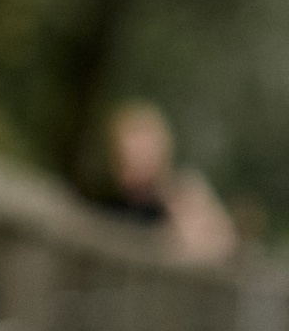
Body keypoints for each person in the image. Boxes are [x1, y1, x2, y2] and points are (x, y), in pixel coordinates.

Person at [99, 98, 238, 265]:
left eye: (146, 151)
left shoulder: (182, 198)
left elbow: (219, 247)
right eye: (130, 153)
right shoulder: (107, 206)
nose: (139, 160)